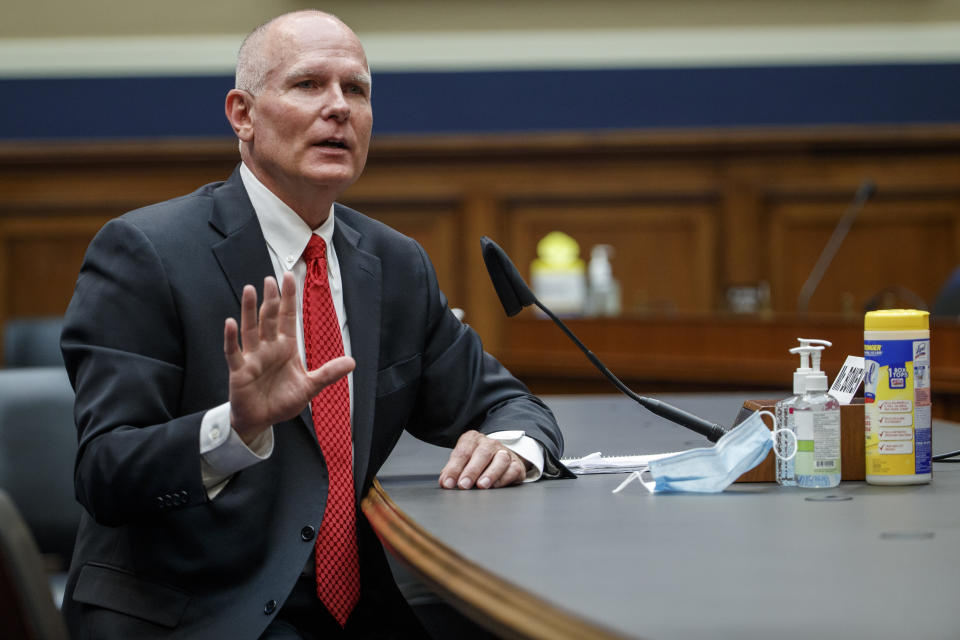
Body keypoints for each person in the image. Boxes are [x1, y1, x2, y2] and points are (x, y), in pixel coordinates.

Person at [59, 10, 567, 639]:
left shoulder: (394, 262)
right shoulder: (145, 252)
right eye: (308, 85)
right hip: (197, 610)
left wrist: (511, 447)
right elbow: (103, 472)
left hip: (359, 607)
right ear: (242, 114)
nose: (339, 109)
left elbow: (511, 405)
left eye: (356, 90)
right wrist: (235, 428)